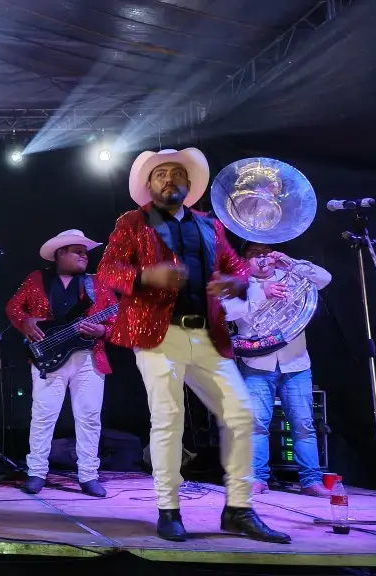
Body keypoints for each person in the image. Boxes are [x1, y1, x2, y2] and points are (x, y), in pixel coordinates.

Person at [96, 148, 290, 544]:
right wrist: (148, 275)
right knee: (168, 419)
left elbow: (235, 268)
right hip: (157, 333)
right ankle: (169, 510)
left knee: (241, 413)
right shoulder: (133, 222)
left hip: (206, 335)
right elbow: (108, 270)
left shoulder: (208, 225)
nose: (170, 179)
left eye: (177, 174)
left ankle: (238, 509)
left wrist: (236, 283)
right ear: (149, 185)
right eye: (161, 174)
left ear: (188, 185)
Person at [5, 230, 118, 497]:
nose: (83, 256)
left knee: (89, 417)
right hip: (48, 357)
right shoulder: (36, 279)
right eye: (77, 251)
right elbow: (13, 308)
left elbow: (118, 320)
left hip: (89, 358)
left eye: (85, 252)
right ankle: (36, 473)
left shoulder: (97, 283)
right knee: (44, 416)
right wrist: (26, 322)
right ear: (60, 254)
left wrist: (102, 332)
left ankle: (89, 475)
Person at [223, 242, 332, 497]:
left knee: (303, 424)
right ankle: (257, 478)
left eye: (266, 253)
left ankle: (311, 481)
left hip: (296, 361)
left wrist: (290, 262)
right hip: (257, 364)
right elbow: (226, 311)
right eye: (254, 255)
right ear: (244, 260)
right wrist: (264, 295)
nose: (262, 260)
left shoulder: (291, 275)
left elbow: (325, 278)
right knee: (256, 424)